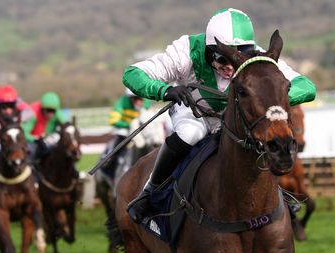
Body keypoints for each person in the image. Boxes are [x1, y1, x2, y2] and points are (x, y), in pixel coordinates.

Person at [122, 7, 316, 223]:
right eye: (222, 59)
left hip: (234, 117)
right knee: (190, 134)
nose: (230, 67)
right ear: (208, 48)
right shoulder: (186, 50)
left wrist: (275, 96)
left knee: (258, 139)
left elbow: (306, 86)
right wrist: (164, 90)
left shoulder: (258, 57)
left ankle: (277, 195)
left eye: (237, 58)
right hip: (194, 111)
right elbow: (133, 73)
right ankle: (151, 191)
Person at [99, 88, 152, 178]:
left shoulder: (146, 101)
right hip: (125, 131)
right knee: (118, 146)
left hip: (142, 131)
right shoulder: (121, 103)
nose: (139, 101)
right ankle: (110, 164)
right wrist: (129, 124)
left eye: (140, 98)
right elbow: (113, 121)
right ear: (130, 98)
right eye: (135, 98)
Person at [22, 91, 70, 162]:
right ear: (42, 108)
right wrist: (35, 139)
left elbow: (67, 126)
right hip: (33, 141)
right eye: (48, 110)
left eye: (52, 111)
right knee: (31, 149)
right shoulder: (32, 112)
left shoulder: (57, 112)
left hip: (47, 140)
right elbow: (24, 133)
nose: (50, 114)